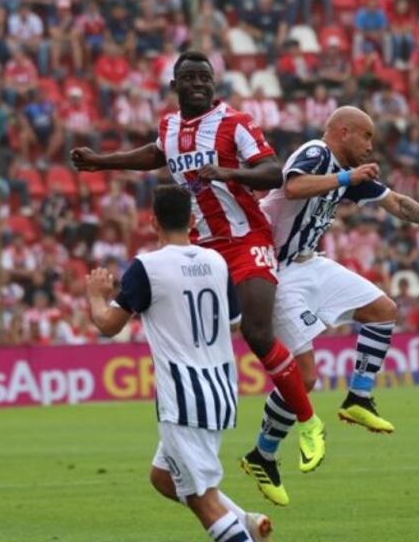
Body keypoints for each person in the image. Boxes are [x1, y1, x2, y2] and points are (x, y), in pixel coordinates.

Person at [72, 51, 326, 470]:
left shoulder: (236, 123)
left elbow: (272, 172)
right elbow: (157, 154)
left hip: (245, 238)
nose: (197, 84)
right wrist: (102, 162)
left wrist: (228, 173)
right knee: (203, 336)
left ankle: (308, 422)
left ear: (214, 84)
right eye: (188, 78)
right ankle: (188, 434)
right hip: (202, 248)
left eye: (204, 78)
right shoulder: (170, 125)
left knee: (258, 335)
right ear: (175, 86)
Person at [239, 107, 419, 506]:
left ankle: (358, 398)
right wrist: (346, 178)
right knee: (306, 376)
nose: (370, 146)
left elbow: (397, 203)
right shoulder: (317, 152)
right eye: (366, 137)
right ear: (344, 132)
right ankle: (262, 455)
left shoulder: (347, 174)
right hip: (277, 270)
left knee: (383, 310)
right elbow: (294, 186)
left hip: (310, 262)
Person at [86, 185, 272, 542]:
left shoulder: (147, 267)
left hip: (184, 399)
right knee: (163, 477)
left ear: (152, 221)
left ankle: (242, 533)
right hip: (221, 389)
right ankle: (246, 521)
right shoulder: (216, 261)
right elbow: (234, 322)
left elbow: (109, 325)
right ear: (191, 220)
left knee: (204, 503)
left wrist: (96, 297)